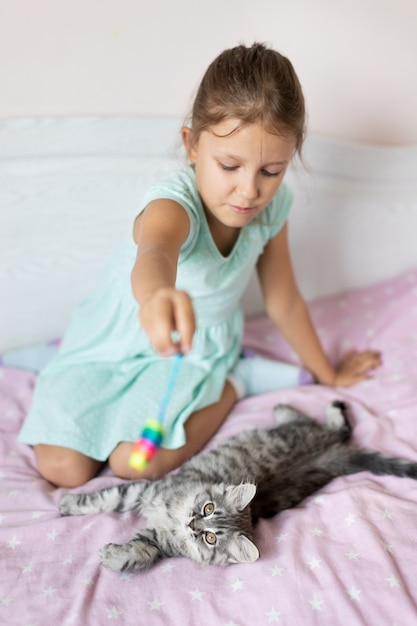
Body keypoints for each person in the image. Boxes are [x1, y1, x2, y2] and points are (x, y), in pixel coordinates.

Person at [18, 43, 381, 488]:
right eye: (230, 165)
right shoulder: (174, 206)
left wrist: (329, 374)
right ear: (191, 145)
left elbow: (283, 300)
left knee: (135, 463)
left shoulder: (272, 209)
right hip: (112, 344)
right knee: (62, 468)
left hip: (192, 353)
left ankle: (235, 382)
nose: (249, 191)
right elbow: (155, 253)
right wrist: (155, 295)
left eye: (271, 171)